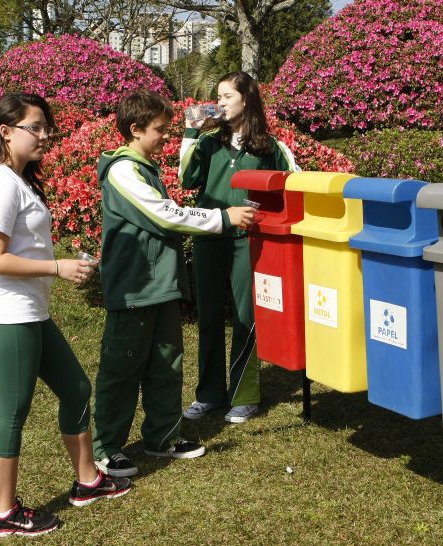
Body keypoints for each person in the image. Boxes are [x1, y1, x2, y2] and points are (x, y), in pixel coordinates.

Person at [0, 92, 132, 538]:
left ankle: (87, 481)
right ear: (6, 132)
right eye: (35, 127)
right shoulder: (0, 182)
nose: (45, 135)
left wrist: (56, 264)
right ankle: (3, 513)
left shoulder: (18, 179)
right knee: (12, 413)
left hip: (30, 312)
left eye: (47, 128)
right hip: (9, 315)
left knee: (76, 388)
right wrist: (56, 267)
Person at [92, 90, 256, 477]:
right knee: (122, 369)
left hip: (161, 286)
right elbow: (165, 215)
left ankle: (163, 437)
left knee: (166, 364)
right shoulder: (122, 170)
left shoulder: (144, 167)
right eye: (160, 130)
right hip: (134, 290)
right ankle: (107, 448)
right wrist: (224, 218)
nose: (166, 137)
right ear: (135, 129)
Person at [178, 71, 299, 424]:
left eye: (227, 96)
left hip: (249, 242)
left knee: (246, 317)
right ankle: (209, 394)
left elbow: (292, 186)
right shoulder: (208, 143)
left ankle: (245, 395)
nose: (219, 103)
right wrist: (191, 132)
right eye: (218, 97)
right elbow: (187, 180)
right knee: (209, 317)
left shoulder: (270, 147)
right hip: (209, 238)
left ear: (246, 99)